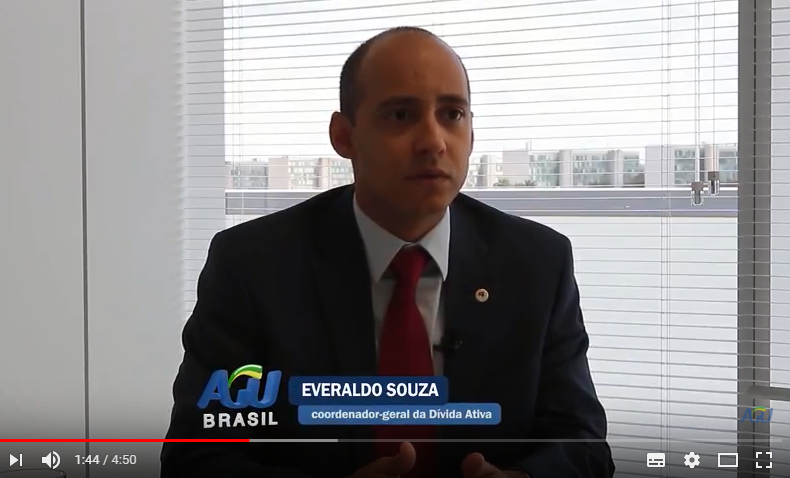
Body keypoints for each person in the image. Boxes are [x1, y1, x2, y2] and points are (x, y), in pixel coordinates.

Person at [161, 26, 615, 478]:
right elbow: (196, 457)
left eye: (453, 114)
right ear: (344, 136)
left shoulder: (537, 263)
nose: (434, 141)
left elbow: (583, 444)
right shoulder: (253, 266)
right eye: (401, 115)